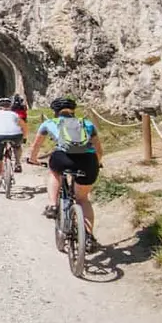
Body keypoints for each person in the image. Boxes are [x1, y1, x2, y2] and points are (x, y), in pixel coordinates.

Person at [27, 97, 104, 251]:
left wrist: (33, 159)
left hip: (63, 158)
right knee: (83, 199)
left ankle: (53, 205)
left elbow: (35, 146)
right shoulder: (87, 124)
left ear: (55, 112)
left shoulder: (49, 123)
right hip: (88, 161)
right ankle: (88, 237)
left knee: (55, 172)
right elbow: (98, 150)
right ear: (73, 111)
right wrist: (98, 162)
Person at [0, 97, 27, 187]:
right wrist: (24, 137)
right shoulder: (14, 114)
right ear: (10, 106)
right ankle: (18, 163)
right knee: (17, 146)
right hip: (16, 134)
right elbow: (24, 126)